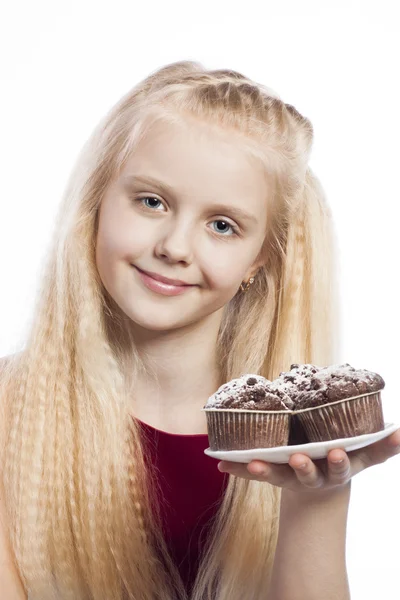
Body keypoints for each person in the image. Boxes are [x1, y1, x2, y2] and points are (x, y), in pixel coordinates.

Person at [0, 60, 399, 600]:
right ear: (96, 203)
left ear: (259, 261)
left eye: (221, 225)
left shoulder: (292, 439)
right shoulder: (10, 414)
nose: (175, 247)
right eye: (152, 201)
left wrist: (319, 499)